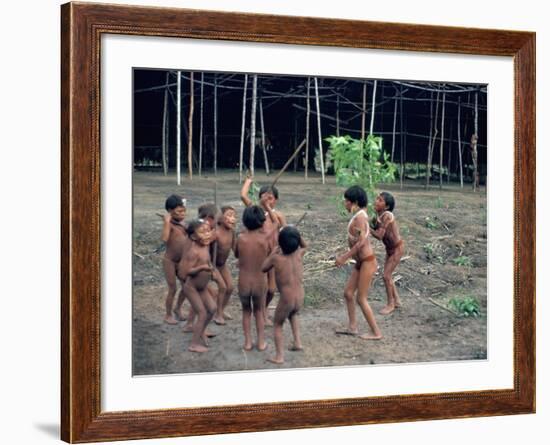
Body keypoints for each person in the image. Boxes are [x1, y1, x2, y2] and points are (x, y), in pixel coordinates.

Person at [334, 185, 382, 340]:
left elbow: (361, 243)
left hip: (367, 262)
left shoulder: (360, 217)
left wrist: (344, 257)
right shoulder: (360, 216)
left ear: (354, 202)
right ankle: (352, 327)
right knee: (348, 293)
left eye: (346, 201)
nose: (344, 204)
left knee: (361, 298)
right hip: (361, 262)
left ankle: (376, 332)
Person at [240, 175, 286, 326]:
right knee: (262, 286)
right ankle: (260, 313)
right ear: (259, 198)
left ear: (276, 200)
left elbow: (282, 230)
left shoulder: (278, 215)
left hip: (272, 255)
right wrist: (248, 182)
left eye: (271, 198)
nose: (268, 200)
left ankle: (262, 309)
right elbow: (243, 196)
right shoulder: (255, 212)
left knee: (272, 289)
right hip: (259, 257)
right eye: (265, 197)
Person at [261, 226, 306, 364]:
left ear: (280, 243)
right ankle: (298, 343)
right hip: (300, 297)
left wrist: (273, 252)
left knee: (277, 324)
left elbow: (263, 268)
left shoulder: (276, 259)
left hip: (287, 299)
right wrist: (298, 236)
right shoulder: (299, 253)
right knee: (293, 315)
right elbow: (306, 245)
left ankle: (279, 356)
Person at [234, 205, 275, 351]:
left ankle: (247, 342)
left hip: (243, 282)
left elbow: (237, 255)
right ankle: (261, 342)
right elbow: (270, 258)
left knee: (246, 311)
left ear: (245, 221)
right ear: (262, 221)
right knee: (259, 312)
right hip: (259, 282)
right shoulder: (265, 240)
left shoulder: (240, 238)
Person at [177, 219, 217, 353]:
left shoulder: (205, 245)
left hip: (202, 287)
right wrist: (202, 267)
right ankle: (193, 344)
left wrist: (210, 269)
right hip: (192, 288)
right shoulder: (193, 252)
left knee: (212, 309)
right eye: (202, 232)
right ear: (193, 237)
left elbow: (215, 233)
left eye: (208, 231)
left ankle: (201, 330)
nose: (207, 235)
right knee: (202, 313)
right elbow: (185, 272)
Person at [370, 192, 404, 315]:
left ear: (387, 206)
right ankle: (397, 301)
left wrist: (366, 227)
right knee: (388, 275)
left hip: (396, 249)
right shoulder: (379, 215)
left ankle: (390, 304)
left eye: (380, 200)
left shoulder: (387, 216)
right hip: (389, 249)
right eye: (377, 199)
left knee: (386, 276)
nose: (376, 201)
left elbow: (379, 235)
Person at [160, 194, 188, 325]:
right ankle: (167, 315)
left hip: (181, 262)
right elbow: (165, 239)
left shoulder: (182, 224)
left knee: (187, 286)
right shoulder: (169, 224)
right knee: (173, 288)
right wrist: (166, 222)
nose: (183, 214)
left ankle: (178, 308)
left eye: (184, 211)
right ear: (170, 211)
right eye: (179, 212)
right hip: (170, 262)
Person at [212, 205, 237, 325]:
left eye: (234, 216)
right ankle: (217, 314)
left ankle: (221, 309)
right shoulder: (215, 232)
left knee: (230, 287)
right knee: (223, 287)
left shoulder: (232, 232)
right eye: (229, 215)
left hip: (222, 265)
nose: (232, 218)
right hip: (212, 265)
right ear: (220, 218)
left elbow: (236, 251)